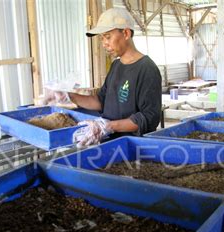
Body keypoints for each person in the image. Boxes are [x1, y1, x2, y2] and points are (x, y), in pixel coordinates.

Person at [44, 8, 162, 146]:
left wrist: (108, 126)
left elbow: (149, 117)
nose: (104, 43)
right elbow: (101, 101)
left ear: (125, 33)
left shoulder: (147, 69)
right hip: (110, 142)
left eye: (108, 37)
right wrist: (69, 96)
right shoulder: (116, 65)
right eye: (102, 38)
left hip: (134, 146)